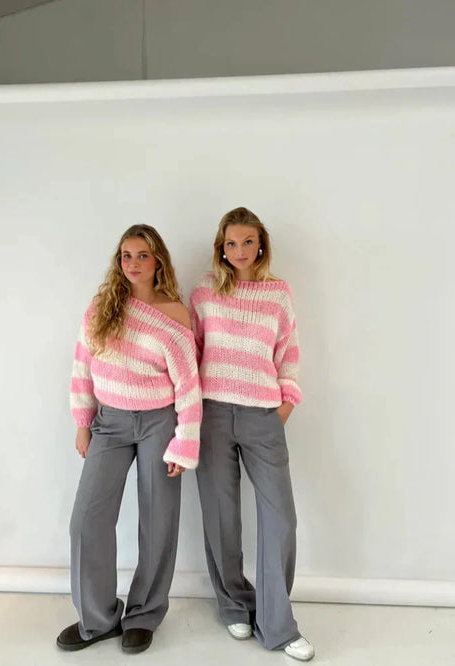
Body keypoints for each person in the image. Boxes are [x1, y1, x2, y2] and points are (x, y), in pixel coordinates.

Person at [57, 224, 201, 655]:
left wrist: (185, 441)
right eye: (126, 255)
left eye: (142, 255)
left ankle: (143, 614)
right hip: (111, 422)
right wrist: (83, 421)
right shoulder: (102, 307)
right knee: (87, 520)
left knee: (158, 521)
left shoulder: (174, 313)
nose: (133, 263)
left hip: (160, 422)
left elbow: (188, 384)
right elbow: (82, 366)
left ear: (158, 261)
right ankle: (98, 619)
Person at [190, 207, 314, 661]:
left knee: (281, 519)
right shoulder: (204, 292)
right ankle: (234, 604)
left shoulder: (278, 294)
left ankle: (277, 624)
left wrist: (283, 407)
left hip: (264, 415)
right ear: (221, 248)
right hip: (212, 414)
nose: (239, 250)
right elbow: (192, 354)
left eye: (247, 242)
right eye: (231, 243)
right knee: (221, 517)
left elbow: (288, 353)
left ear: (261, 245)